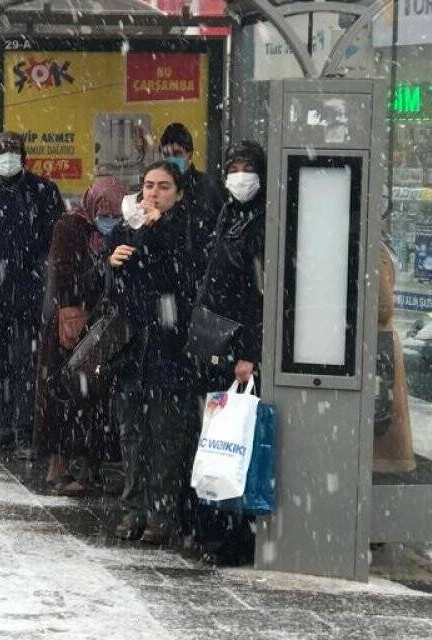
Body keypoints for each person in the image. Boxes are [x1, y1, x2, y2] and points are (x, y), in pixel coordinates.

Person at [106, 161, 204, 546]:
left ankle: (161, 512)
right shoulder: (126, 227)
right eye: (148, 185)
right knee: (132, 433)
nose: (153, 193)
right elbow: (111, 283)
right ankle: (133, 508)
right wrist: (110, 264)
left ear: (178, 193)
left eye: (163, 186)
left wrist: (156, 228)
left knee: (166, 434)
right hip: (133, 349)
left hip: (170, 348)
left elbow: (186, 275)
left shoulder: (183, 229)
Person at [0, 131, 65, 457]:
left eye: (12, 151)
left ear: (24, 156)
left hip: (30, 294)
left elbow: (55, 243)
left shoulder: (43, 191)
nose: (6, 157)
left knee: (29, 365)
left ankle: (26, 433)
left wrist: (39, 274)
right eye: (0, 151)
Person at [190, 140, 268, 565]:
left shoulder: (264, 219)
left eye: (247, 167)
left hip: (241, 349)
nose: (240, 175)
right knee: (218, 440)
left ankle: (236, 536)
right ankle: (214, 530)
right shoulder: (229, 213)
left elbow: (260, 296)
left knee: (237, 444)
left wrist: (249, 353)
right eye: (233, 166)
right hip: (217, 341)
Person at [34, 173, 125, 494]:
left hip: (100, 326)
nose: (110, 222)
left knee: (95, 399)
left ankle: (91, 466)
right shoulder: (70, 226)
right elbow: (65, 280)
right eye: (105, 214)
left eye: (116, 216)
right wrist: (102, 270)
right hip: (68, 322)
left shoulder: (120, 233)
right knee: (63, 393)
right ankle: (57, 467)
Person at [159, 122, 225, 256]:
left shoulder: (209, 187)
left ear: (189, 154)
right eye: (166, 155)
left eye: (177, 154)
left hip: (202, 264)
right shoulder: (155, 188)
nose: (171, 159)